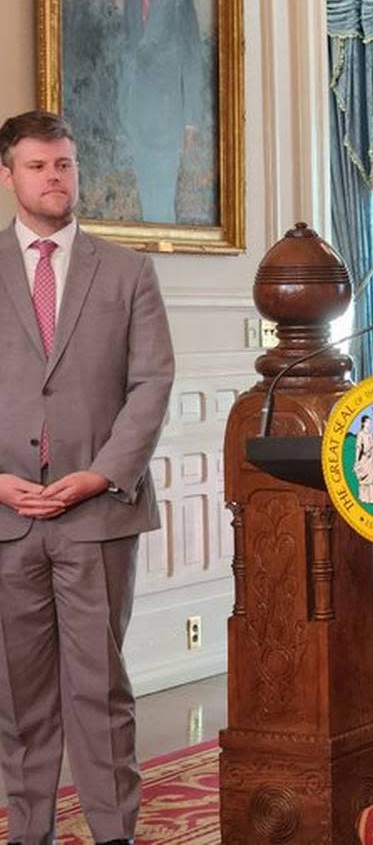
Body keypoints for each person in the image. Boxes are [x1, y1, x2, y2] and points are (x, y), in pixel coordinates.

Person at [0, 110, 174, 844]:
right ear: (9, 176)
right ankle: (29, 831)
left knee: (99, 688)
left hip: (99, 512)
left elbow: (153, 382)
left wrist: (101, 475)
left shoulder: (128, 270)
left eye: (65, 164)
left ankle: (114, 834)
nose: (55, 178)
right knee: (20, 696)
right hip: (8, 516)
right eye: (39, 166)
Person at [354, 415, 373, 503]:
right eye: (368, 422)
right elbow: (358, 447)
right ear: (363, 423)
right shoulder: (361, 434)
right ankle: (364, 498)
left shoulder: (371, 435)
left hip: (371, 460)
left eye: (370, 422)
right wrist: (356, 461)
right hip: (364, 459)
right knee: (364, 479)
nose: (369, 424)